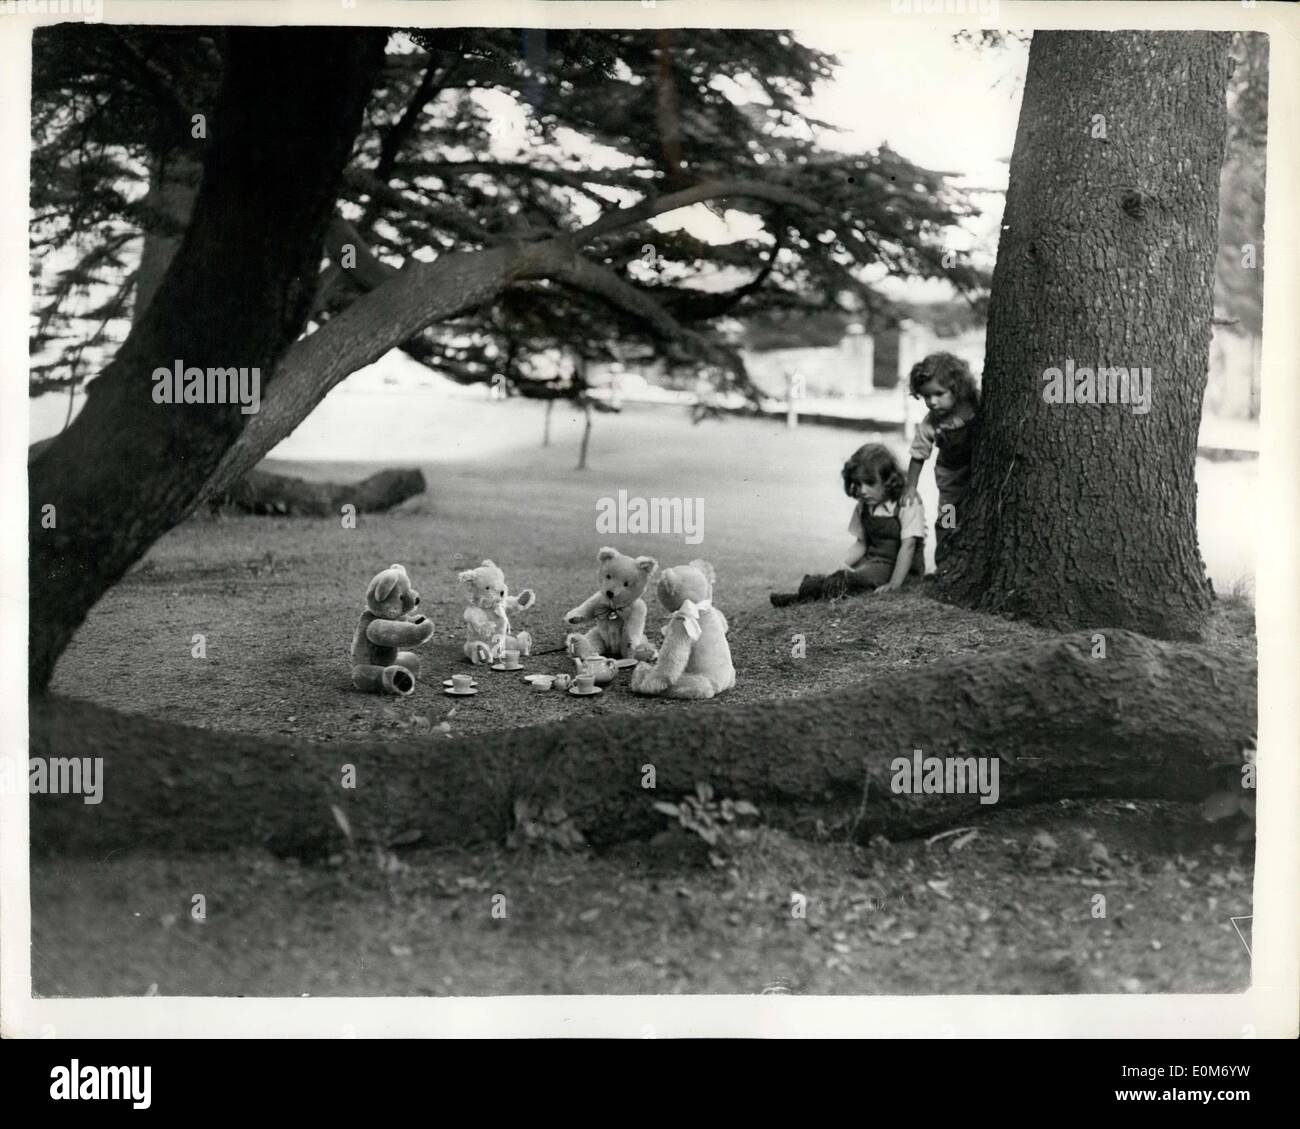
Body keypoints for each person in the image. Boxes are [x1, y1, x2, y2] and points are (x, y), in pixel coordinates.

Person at [770, 442, 926, 606]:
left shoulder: (906, 503)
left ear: (888, 480)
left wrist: (895, 584)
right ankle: (805, 596)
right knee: (846, 577)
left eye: (870, 483)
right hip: (874, 565)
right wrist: (840, 567)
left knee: (853, 579)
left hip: (902, 569)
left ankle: (807, 594)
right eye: (858, 484)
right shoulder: (864, 506)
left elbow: (908, 545)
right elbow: (861, 544)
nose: (863, 491)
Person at [903, 352, 980, 558]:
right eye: (927, 396)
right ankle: (945, 558)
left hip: (976, 474)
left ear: (957, 388)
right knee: (949, 518)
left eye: (939, 394)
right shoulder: (931, 424)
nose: (932, 402)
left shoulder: (975, 405)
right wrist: (910, 487)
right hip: (951, 481)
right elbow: (918, 455)